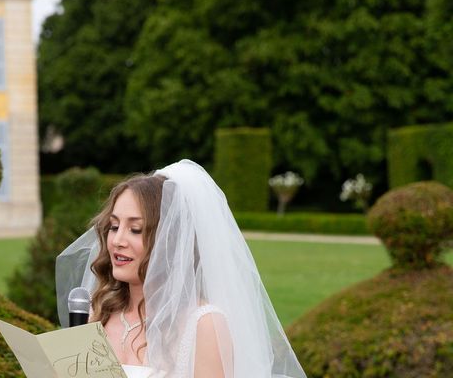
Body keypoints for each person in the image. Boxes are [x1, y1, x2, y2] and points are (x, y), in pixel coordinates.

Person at [56, 159, 307, 378]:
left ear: (169, 241)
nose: (117, 240)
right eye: (113, 226)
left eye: (135, 229)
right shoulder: (97, 312)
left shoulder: (203, 325)